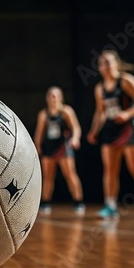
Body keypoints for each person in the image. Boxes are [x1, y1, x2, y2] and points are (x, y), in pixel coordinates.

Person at [87, 49, 134, 219]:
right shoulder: (100, 89)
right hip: (110, 130)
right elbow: (100, 112)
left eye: (108, 62)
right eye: (101, 63)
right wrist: (94, 131)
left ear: (116, 63)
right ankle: (111, 205)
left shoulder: (126, 81)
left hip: (130, 128)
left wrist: (127, 114)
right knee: (110, 169)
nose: (104, 66)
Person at [34, 86, 85, 215]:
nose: (53, 98)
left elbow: (76, 128)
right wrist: (37, 147)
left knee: (70, 174)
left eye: (56, 95)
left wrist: (75, 138)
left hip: (63, 147)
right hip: (49, 148)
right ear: (47, 98)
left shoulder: (66, 111)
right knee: (48, 177)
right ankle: (45, 203)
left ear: (61, 97)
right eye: (51, 95)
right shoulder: (43, 114)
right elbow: (39, 133)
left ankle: (78, 202)